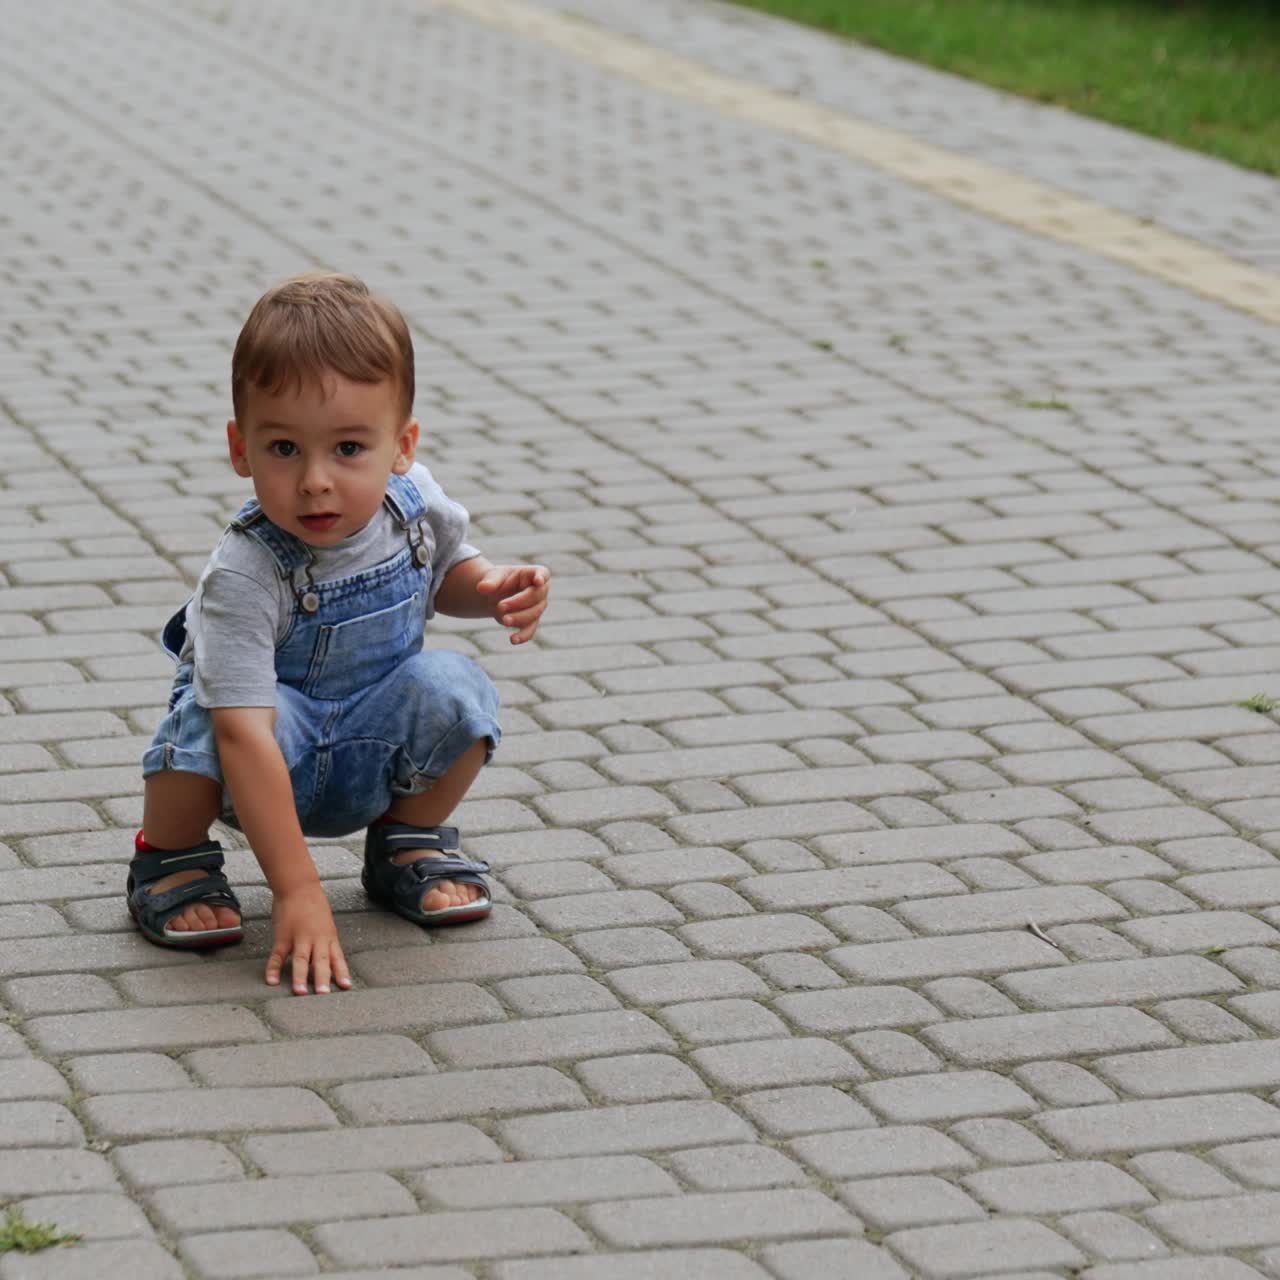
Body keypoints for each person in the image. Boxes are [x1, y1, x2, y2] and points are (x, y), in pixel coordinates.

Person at [131, 272, 549, 996]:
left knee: (456, 687)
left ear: (402, 445)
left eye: (349, 448)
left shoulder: (415, 507)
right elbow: (245, 737)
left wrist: (491, 589)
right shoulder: (245, 572)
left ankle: (406, 845)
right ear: (241, 448)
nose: (316, 481)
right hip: (264, 754)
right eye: (285, 449)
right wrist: (296, 892)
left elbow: (446, 570)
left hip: (369, 743)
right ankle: (172, 857)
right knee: (203, 719)